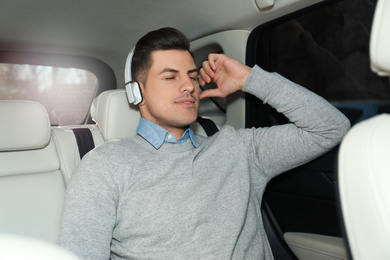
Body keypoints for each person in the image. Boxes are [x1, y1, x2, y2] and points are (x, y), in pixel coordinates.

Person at [59, 27, 350, 260]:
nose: (189, 86)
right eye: (170, 77)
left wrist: (251, 79)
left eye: (193, 76)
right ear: (137, 93)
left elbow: (331, 127)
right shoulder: (104, 167)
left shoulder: (239, 148)